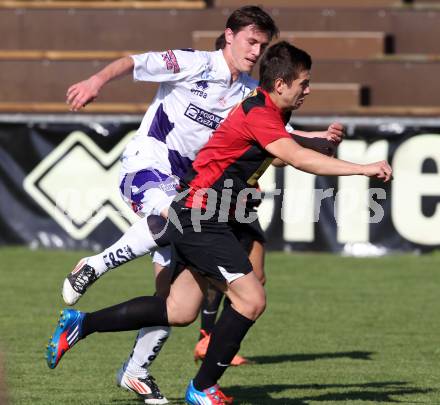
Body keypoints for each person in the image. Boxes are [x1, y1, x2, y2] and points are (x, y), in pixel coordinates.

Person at [46, 41, 392, 404]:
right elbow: (295, 157)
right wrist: (363, 169)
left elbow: (281, 152)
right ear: (281, 84)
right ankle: (202, 387)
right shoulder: (259, 112)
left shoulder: (269, 111)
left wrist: (317, 142)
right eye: (303, 82)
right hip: (201, 217)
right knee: (252, 298)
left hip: (211, 215)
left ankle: (81, 323)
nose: (308, 89)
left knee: (178, 310)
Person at [63, 6, 279, 404]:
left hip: (186, 190)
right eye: (251, 41)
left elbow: (280, 139)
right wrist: (96, 80)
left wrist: (320, 138)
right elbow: (134, 62)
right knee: (174, 217)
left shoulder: (249, 93)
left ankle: (135, 371)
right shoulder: (193, 63)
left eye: (262, 46)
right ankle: (93, 265)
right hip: (149, 165)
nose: (256, 51)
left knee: (173, 304)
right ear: (229, 35)